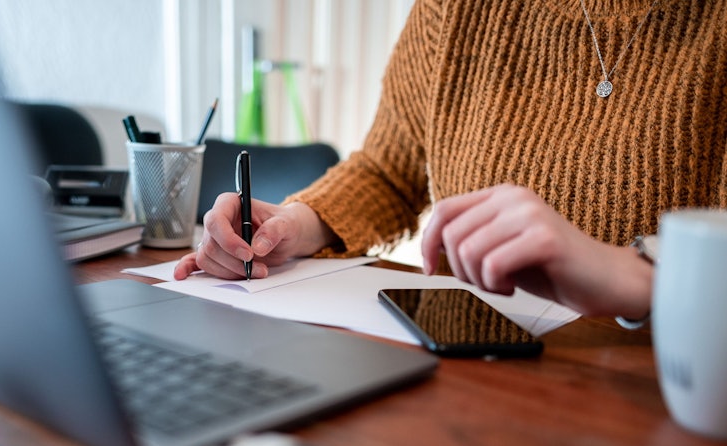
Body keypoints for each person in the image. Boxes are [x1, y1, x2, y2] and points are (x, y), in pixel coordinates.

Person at [175, 0, 727, 326]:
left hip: (661, 393)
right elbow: (387, 171)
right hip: (472, 368)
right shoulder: (456, 10)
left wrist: (632, 276)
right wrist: (291, 225)